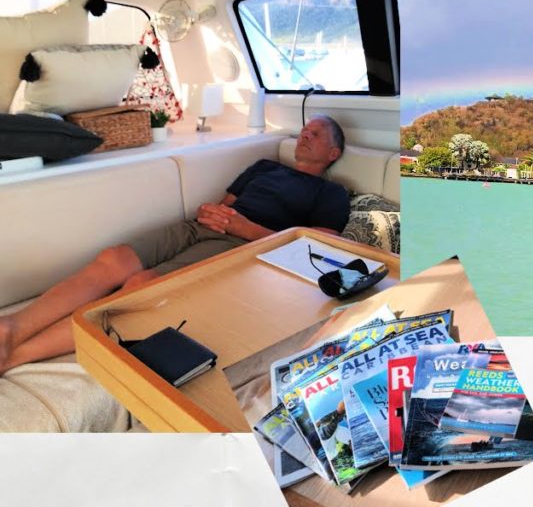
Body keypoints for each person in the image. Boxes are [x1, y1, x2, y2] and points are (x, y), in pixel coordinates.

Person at [0, 114, 350, 375]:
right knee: (115, 258)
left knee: (140, 286)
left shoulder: (330, 193)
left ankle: (16, 355)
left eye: (316, 133)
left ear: (332, 152)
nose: (306, 133)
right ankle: (11, 327)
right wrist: (212, 210)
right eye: (305, 129)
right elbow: (227, 202)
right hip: (201, 227)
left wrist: (244, 228)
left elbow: (319, 243)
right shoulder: (264, 166)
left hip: (241, 245)